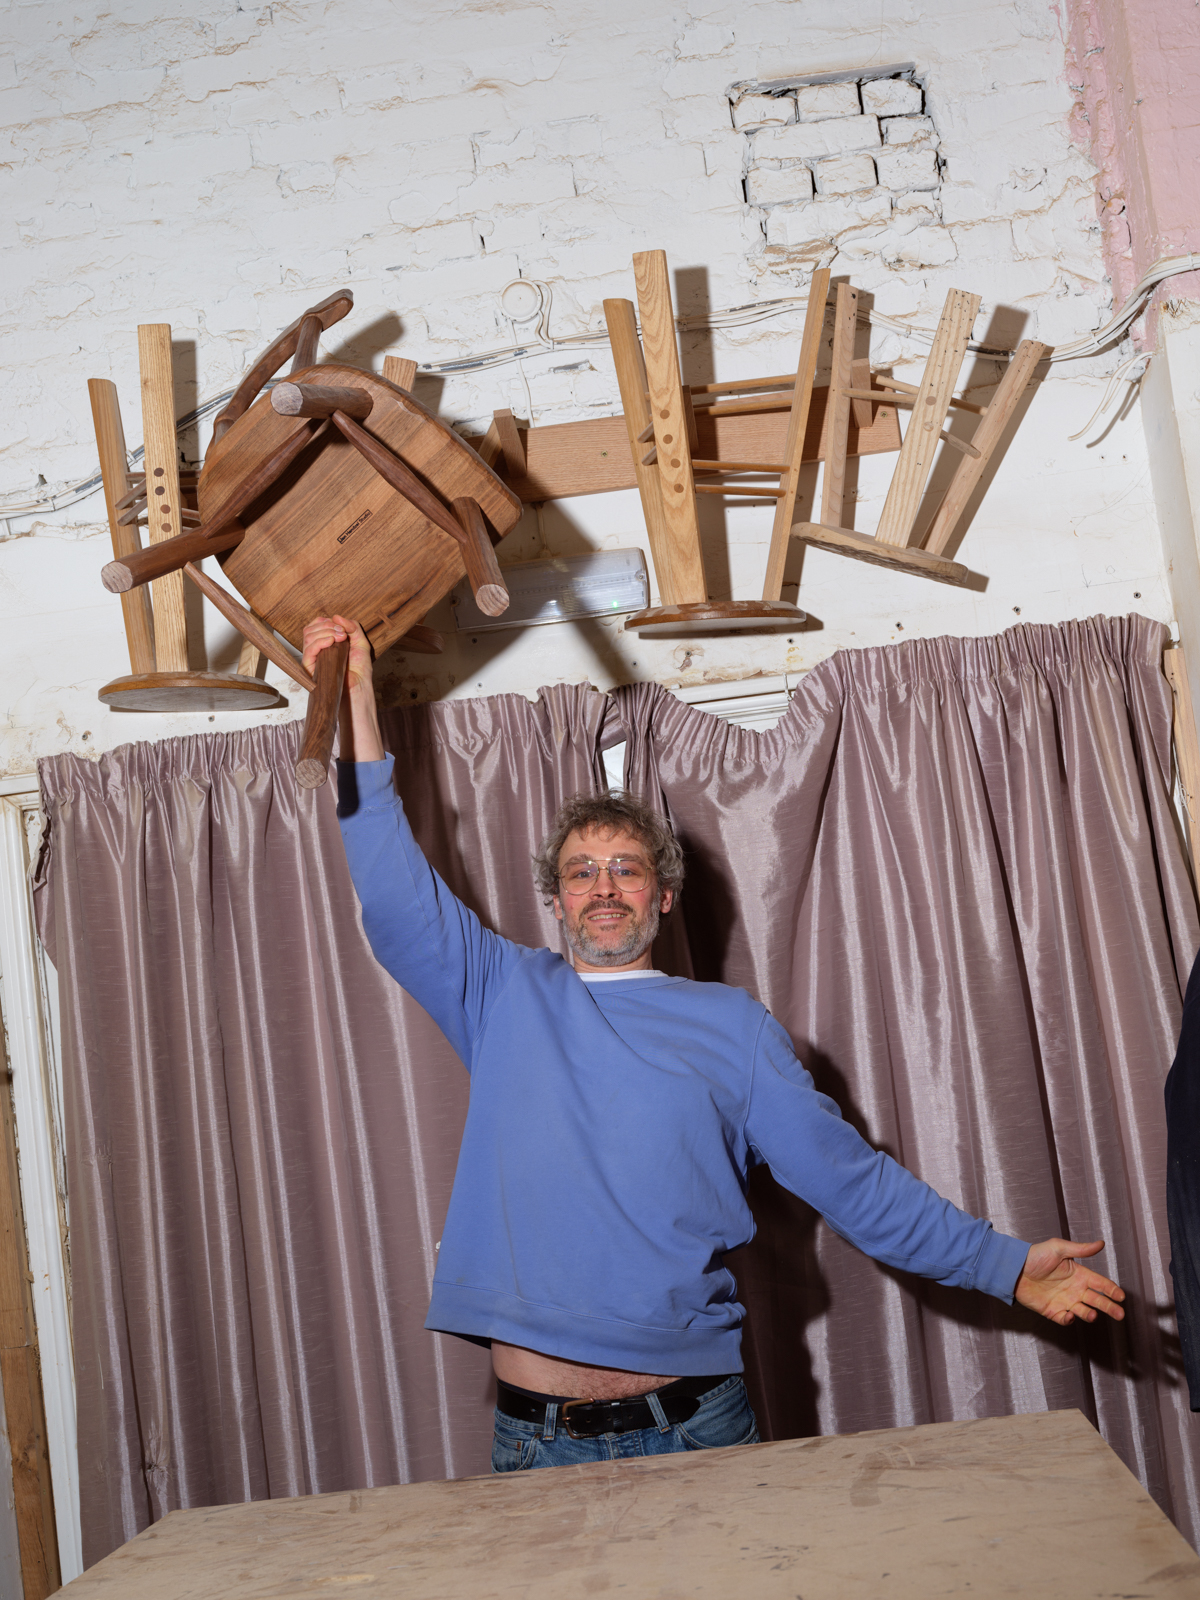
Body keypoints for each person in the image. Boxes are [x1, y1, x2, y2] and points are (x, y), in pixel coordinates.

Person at [305, 614, 1127, 1474]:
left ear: (664, 896)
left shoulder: (734, 1028)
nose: (605, 887)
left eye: (628, 868)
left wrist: (1004, 1266)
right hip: (534, 1439)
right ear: (555, 900)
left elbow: (850, 1179)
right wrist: (360, 700)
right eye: (581, 872)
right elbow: (395, 895)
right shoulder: (502, 993)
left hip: (697, 1428)